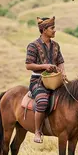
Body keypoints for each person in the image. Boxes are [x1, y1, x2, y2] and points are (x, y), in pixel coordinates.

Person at [25, 16, 67, 144]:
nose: (55, 30)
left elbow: (60, 62)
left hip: (55, 80)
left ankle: (70, 128)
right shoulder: (33, 45)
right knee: (43, 101)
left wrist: (63, 72)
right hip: (38, 81)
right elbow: (28, 65)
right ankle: (38, 131)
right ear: (44, 30)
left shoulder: (56, 45)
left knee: (70, 97)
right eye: (52, 28)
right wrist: (44, 66)